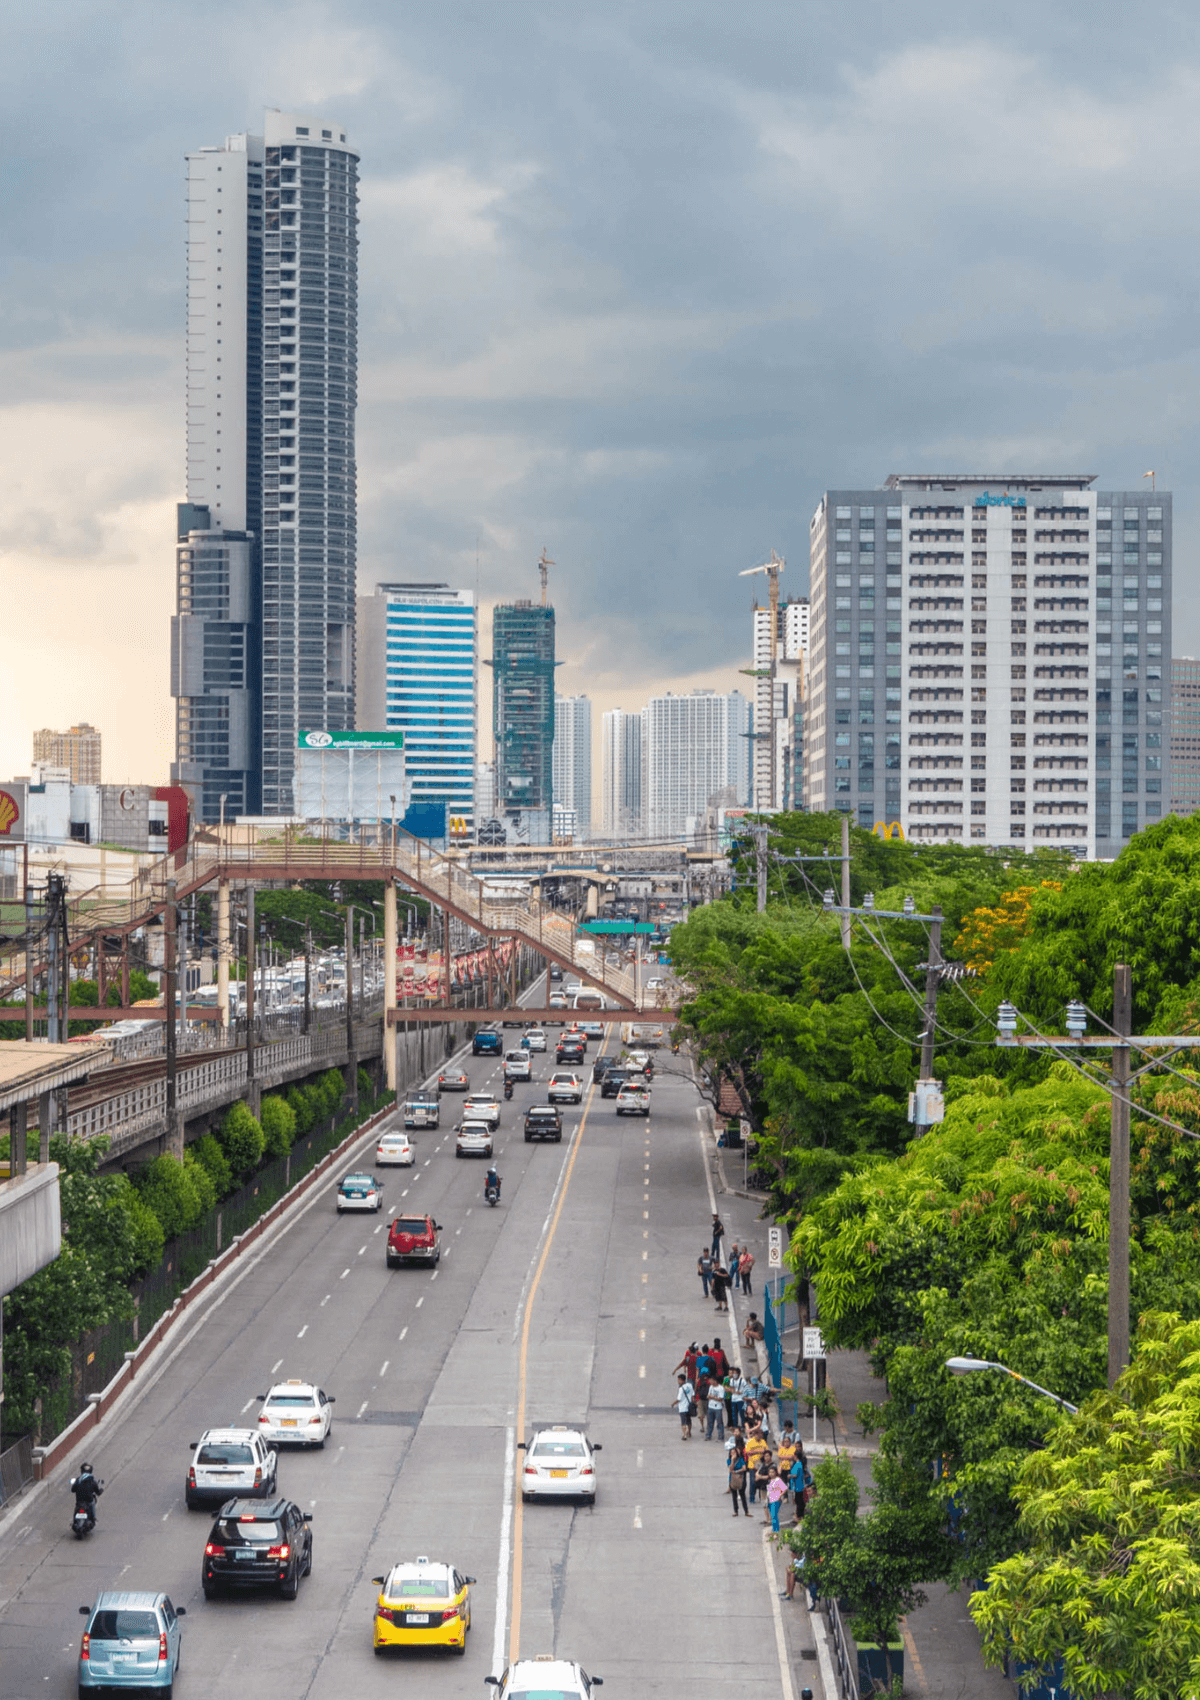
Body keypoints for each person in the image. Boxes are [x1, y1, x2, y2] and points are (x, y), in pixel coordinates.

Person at [70, 1461, 102, 1529]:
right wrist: (100, 1491)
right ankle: (93, 1518)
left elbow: (73, 1490)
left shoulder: (78, 1480)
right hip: (88, 1501)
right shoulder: (92, 1481)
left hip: (79, 1501)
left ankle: (74, 1521)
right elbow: (98, 1492)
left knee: (77, 1508)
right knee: (93, 1503)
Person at [727, 1447, 749, 1517]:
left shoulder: (741, 1459)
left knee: (742, 1495)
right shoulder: (729, 1460)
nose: (733, 1454)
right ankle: (735, 1511)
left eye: (734, 1452)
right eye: (731, 1453)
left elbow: (744, 1468)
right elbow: (730, 1469)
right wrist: (732, 1460)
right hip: (732, 1479)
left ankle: (746, 1511)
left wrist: (736, 1471)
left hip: (740, 1478)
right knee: (734, 1495)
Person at [705, 1375, 726, 1443]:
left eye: (710, 1380)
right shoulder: (711, 1387)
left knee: (719, 1423)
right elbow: (708, 1395)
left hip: (718, 1408)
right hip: (710, 1406)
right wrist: (709, 1397)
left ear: (715, 1380)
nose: (709, 1381)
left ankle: (720, 1437)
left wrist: (713, 1397)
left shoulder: (720, 1388)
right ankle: (708, 1435)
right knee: (709, 1422)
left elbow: (720, 1398)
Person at [765, 1465, 787, 1533]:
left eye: (773, 1472)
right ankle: (774, 1529)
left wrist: (780, 1495)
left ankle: (776, 1531)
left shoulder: (778, 1480)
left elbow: (785, 1489)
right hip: (770, 1500)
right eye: (770, 1472)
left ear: (775, 1472)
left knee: (774, 1516)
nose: (771, 1474)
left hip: (776, 1500)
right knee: (772, 1516)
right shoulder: (769, 1480)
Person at [674, 1373, 695, 1440]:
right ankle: (689, 1432)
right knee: (689, 1421)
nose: (678, 1382)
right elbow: (692, 1395)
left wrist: (673, 1403)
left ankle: (684, 1435)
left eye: (679, 1380)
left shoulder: (681, 1389)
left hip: (682, 1408)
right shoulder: (690, 1385)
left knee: (683, 1422)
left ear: (682, 1380)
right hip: (689, 1407)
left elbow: (678, 1399)